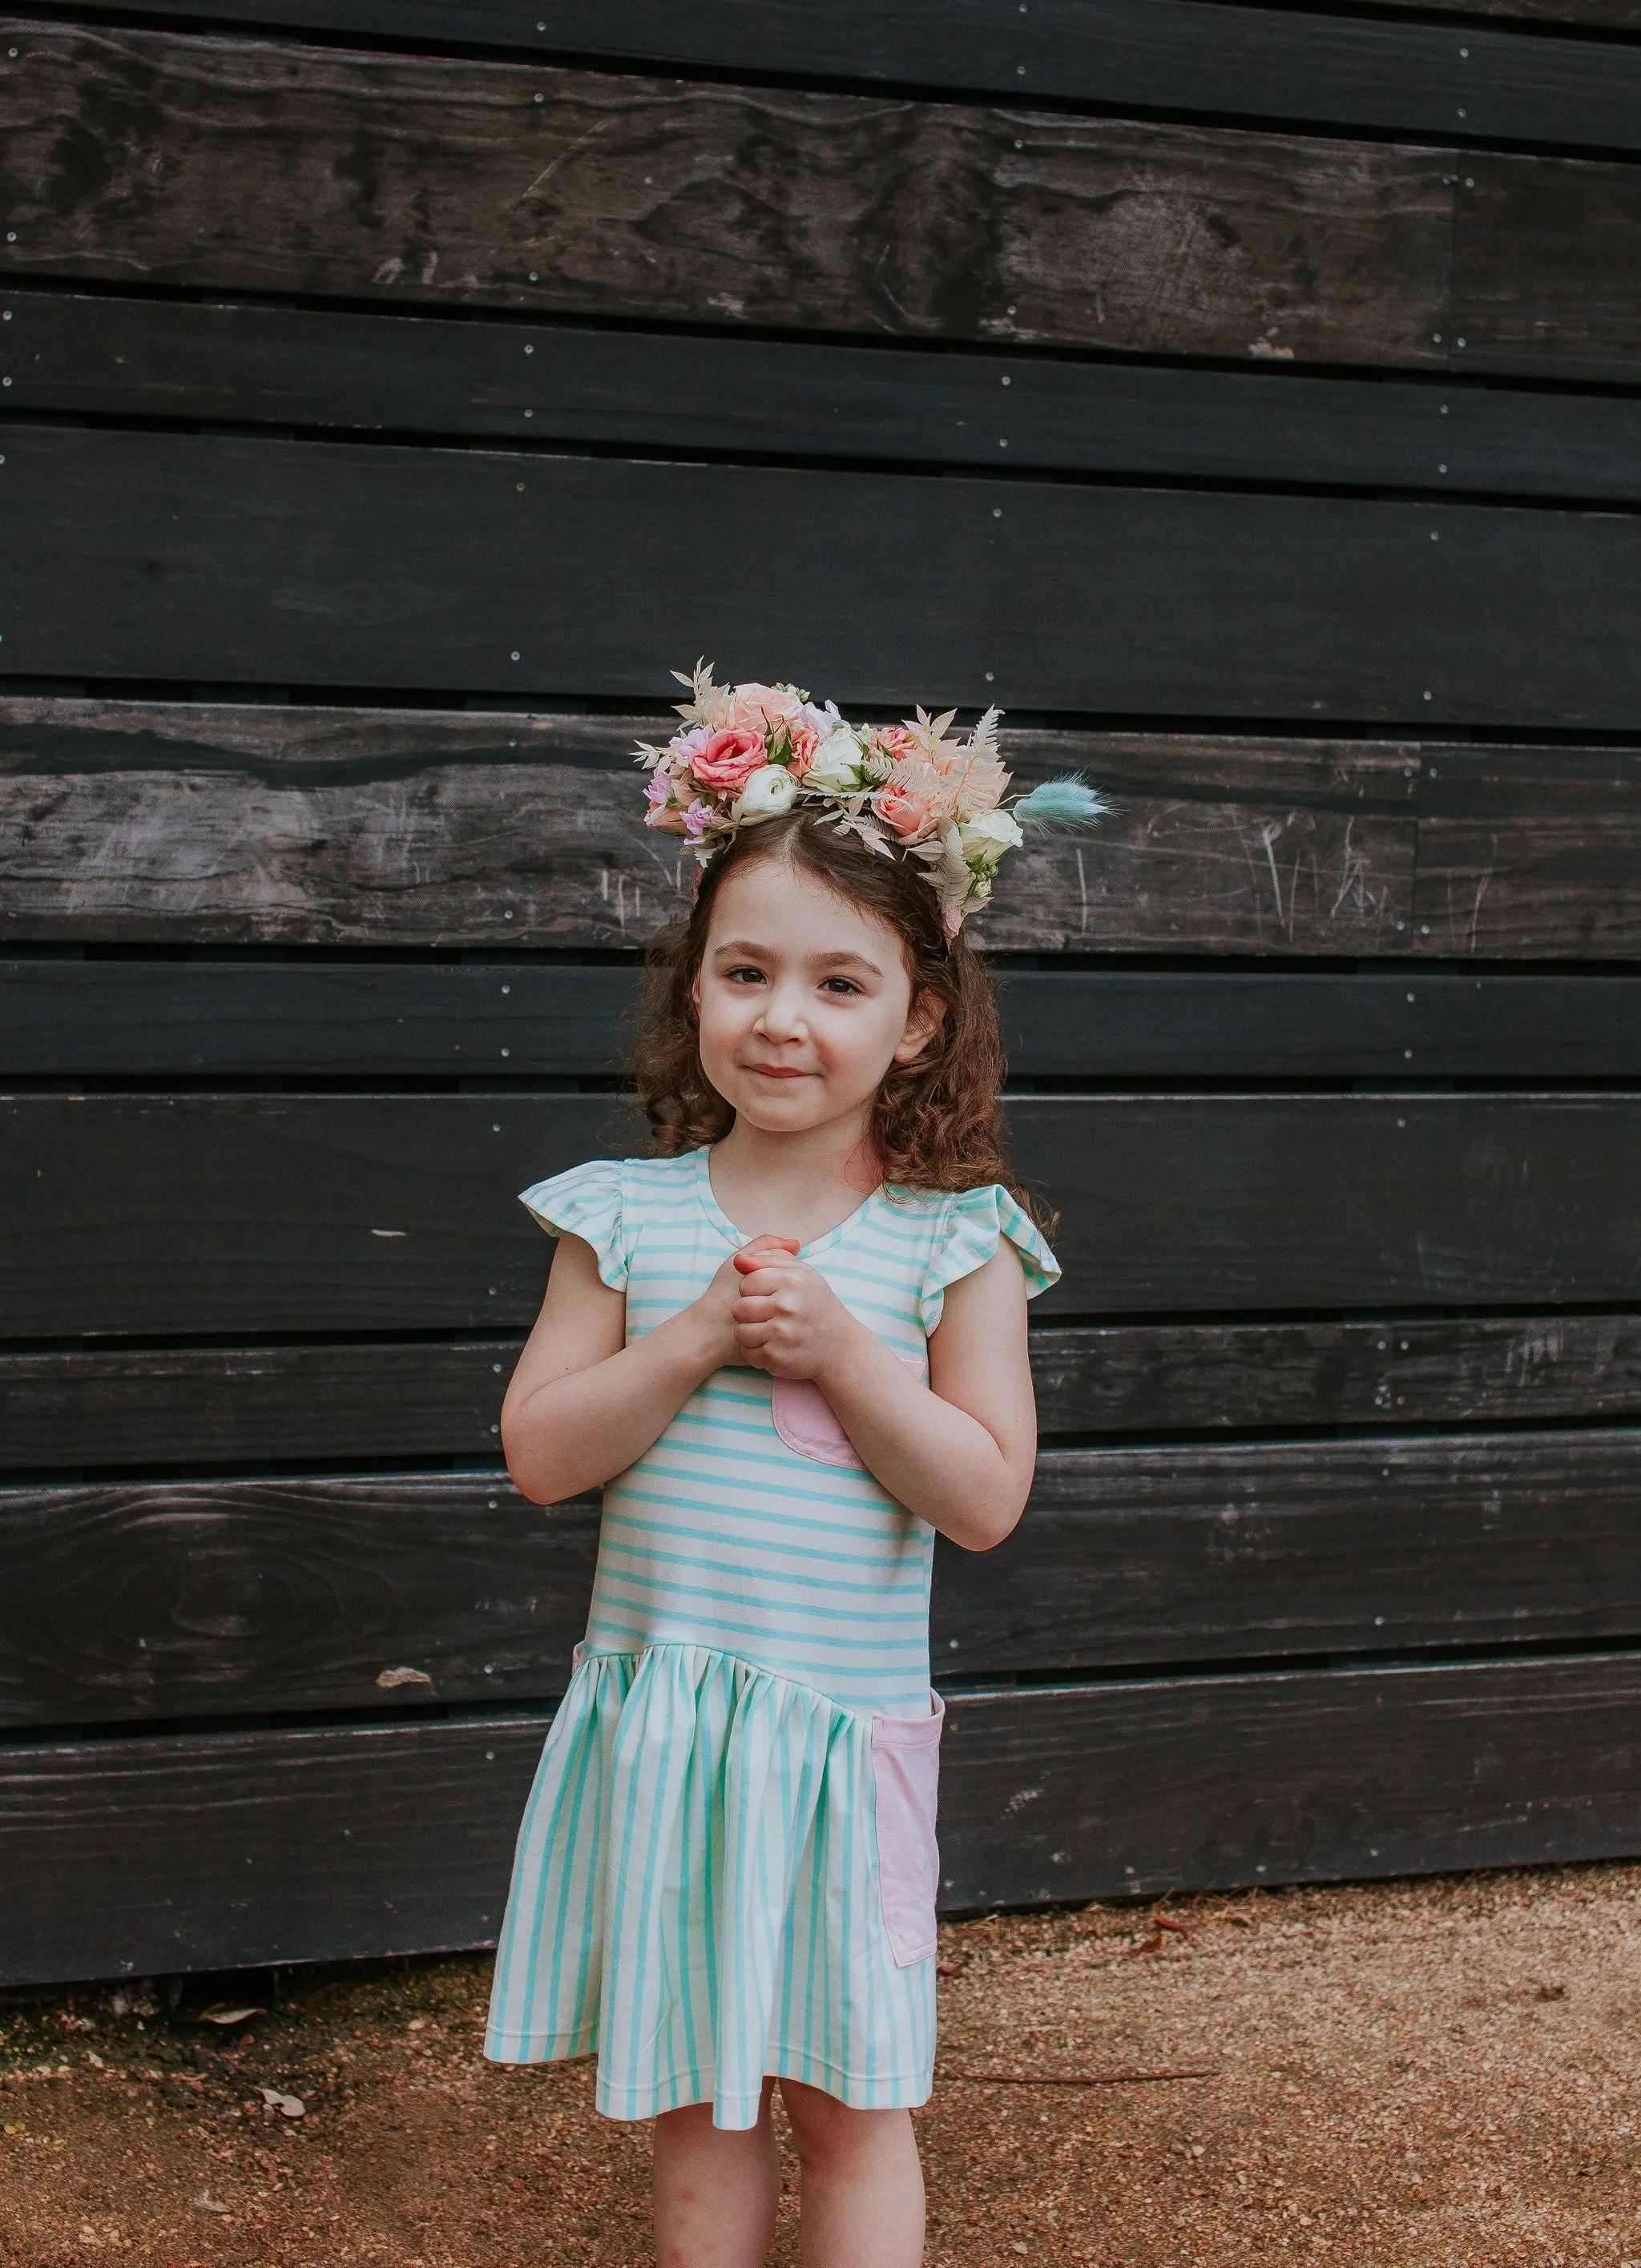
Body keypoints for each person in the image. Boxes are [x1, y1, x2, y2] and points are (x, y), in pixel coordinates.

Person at [483, 671, 1103, 2267]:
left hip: (836, 1749)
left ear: (917, 1017)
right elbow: (545, 1454)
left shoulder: (952, 1239)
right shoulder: (621, 1216)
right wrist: (691, 1337)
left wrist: (839, 1352)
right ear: (691, 989)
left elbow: (981, 1493)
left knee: (847, 2100)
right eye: (746, 969)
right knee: (699, 2098)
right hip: (671, 1727)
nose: (782, 1014)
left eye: (838, 982)